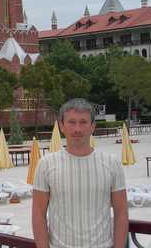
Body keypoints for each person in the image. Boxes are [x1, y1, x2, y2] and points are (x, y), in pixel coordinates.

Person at [32, 98, 128, 248]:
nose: (77, 129)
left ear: (92, 127)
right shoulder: (46, 164)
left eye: (83, 122)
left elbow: (121, 213)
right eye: (71, 122)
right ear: (62, 126)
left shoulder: (112, 163)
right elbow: (38, 213)